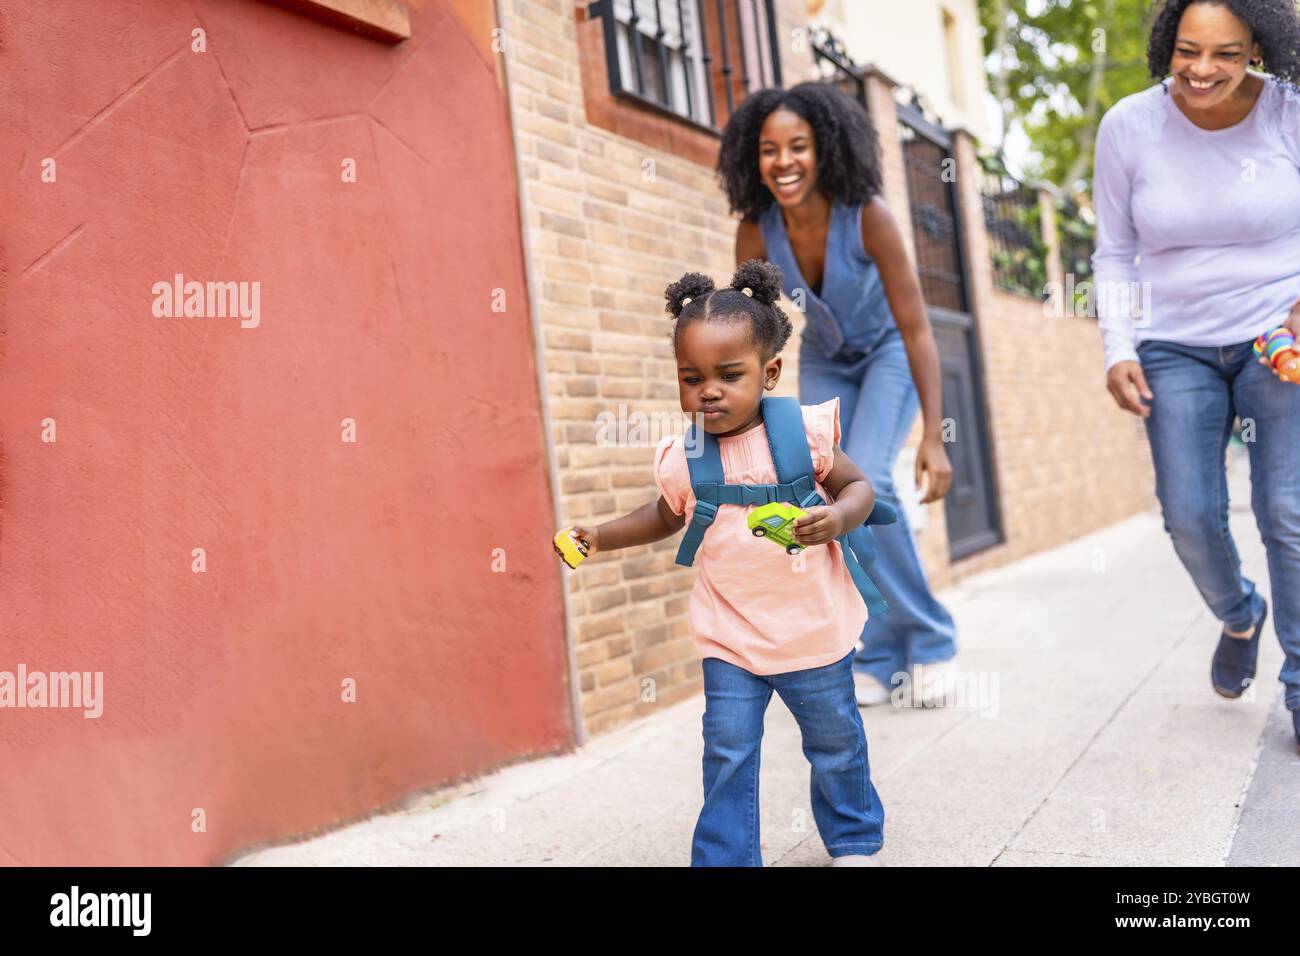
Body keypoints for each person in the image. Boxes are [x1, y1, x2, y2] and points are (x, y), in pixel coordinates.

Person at [558, 260, 886, 866]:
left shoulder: (802, 435)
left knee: (835, 741)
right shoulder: (686, 458)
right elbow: (664, 514)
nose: (708, 390)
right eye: (691, 377)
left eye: (728, 375)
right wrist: (599, 536)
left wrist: (837, 519)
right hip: (729, 633)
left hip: (811, 628)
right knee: (728, 749)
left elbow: (861, 488)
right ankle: (726, 857)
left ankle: (854, 839)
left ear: (769, 373)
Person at [1092, 0, 1300, 749]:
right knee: (1187, 513)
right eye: (1188, 50)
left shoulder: (1288, 114)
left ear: (1258, 49)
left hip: (1275, 336)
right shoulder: (1129, 126)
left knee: (1287, 513)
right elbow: (1113, 249)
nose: (1203, 70)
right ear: (1165, 44)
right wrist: (1117, 346)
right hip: (1171, 344)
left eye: (1227, 54)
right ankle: (1241, 613)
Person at [717, 82, 958, 707]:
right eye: (769, 150)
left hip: (888, 356)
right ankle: (878, 652)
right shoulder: (757, 231)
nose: (785, 161)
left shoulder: (868, 215)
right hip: (827, 360)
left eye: (799, 146)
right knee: (829, 485)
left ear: (824, 150)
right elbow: (751, 339)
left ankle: (931, 642)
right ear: (754, 159)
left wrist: (933, 435)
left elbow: (916, 330)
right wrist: (738, 417)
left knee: (869, 475)